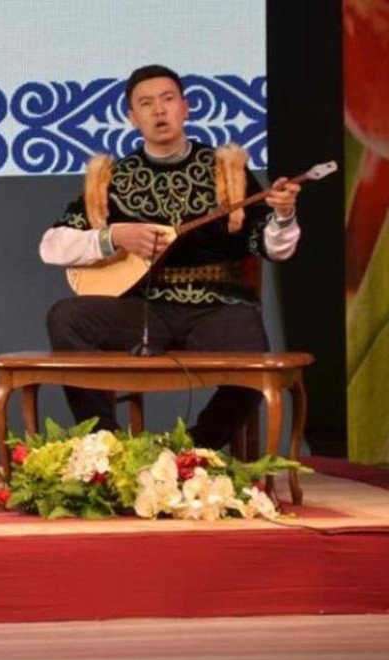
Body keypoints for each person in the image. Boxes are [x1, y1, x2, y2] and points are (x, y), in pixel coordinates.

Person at [39, 65, 302, 449]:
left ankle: (192, 449)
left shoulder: (225, 170)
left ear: (185, 107)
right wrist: (115, 237)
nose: (159, 110)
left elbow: (272, 246)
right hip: (145, 310)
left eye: (167, 99)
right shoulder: (115, 178)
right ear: (132, 117)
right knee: (66, 317)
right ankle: (106, 447)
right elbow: (52, 245)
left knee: (254, 357)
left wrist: (284, 214)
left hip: (217, 306)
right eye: (146, 103)